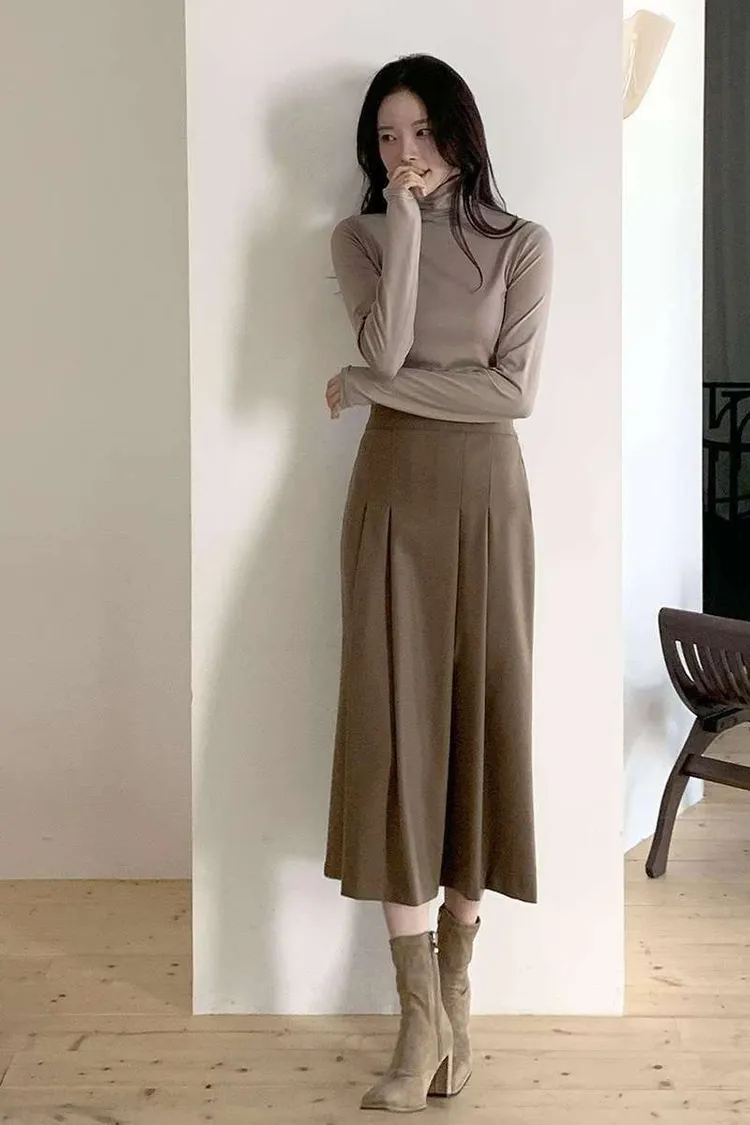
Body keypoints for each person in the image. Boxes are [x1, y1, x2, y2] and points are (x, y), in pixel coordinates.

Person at [323, 53, 553, 1113]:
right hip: (392, 502)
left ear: (459, 132)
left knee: (478, 721)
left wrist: (374, 386)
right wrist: (407, 226)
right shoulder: (360, 237)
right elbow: (390, 347)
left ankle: (456, 994)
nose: (404, 152)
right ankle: (418, 1022)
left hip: (488, 505)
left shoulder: (525, 244)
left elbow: (514, 397)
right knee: (393, 737)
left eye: (420, 131)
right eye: (386, 137)